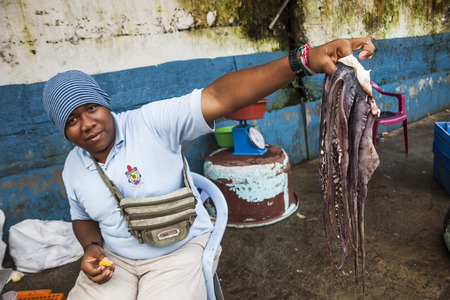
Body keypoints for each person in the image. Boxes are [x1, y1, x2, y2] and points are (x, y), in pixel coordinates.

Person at [42, 37, 375, 300]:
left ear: (104, 103)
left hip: (178, 251)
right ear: (63, 131)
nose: (86, 124)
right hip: (117, 262)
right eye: (72, 120)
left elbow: (218, 97)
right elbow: (82, 217)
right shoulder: (74, 166)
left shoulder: (149, 124)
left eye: (90, 108)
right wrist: (92, 248)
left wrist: (302, 60)